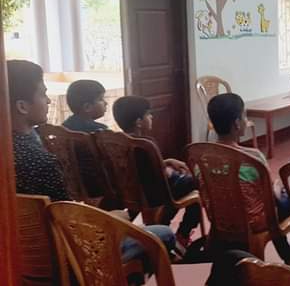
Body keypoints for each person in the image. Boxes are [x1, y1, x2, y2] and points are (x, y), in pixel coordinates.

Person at [7, 60, 176, 269]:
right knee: (162, 234)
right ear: (22, 106)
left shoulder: (11, 151)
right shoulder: (39, 161)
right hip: (72, 260)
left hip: (22, 263)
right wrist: (110, 219)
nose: (48, 101)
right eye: (43, 94)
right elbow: (68, 226)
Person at [206, 92, 290, 262]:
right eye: (244, 116)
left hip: (220, 217)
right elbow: (270, 196)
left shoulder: (201, 156)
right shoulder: (252, 157)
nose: (246, 120)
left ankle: (289, 255)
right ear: (237, 124)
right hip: (254, 221)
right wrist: (279, 186)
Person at [112, 95, 201, 248]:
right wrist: (170, 172)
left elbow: (142, 167)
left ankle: (167, 225)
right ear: (139, 122)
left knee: (181, 180)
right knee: (196, 183)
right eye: (148, 114)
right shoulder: (146, 144)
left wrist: (167, 162)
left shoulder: (118, 142)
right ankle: (183, 232)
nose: (151, 117)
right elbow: (162, 175)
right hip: (155, 195)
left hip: (133, 193)